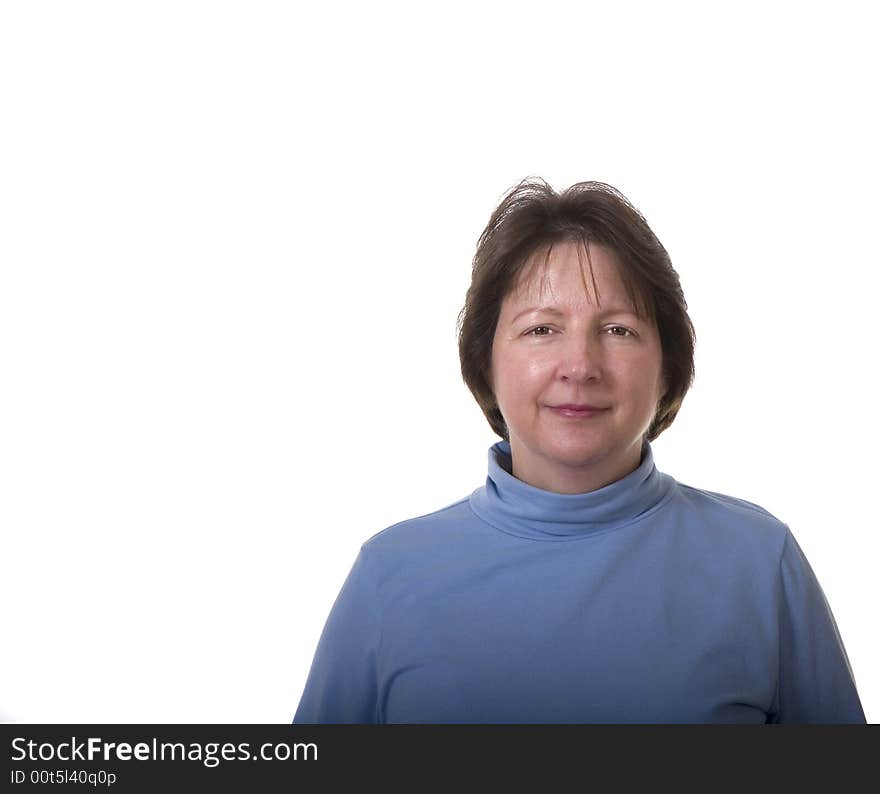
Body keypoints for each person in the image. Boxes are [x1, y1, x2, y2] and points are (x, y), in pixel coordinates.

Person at [293, 178, 866, 724]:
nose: (581, 366)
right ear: (485, 362)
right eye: (542, 329)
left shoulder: (761, 563)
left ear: (668, 368)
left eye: (618, 330)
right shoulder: (390, 576)